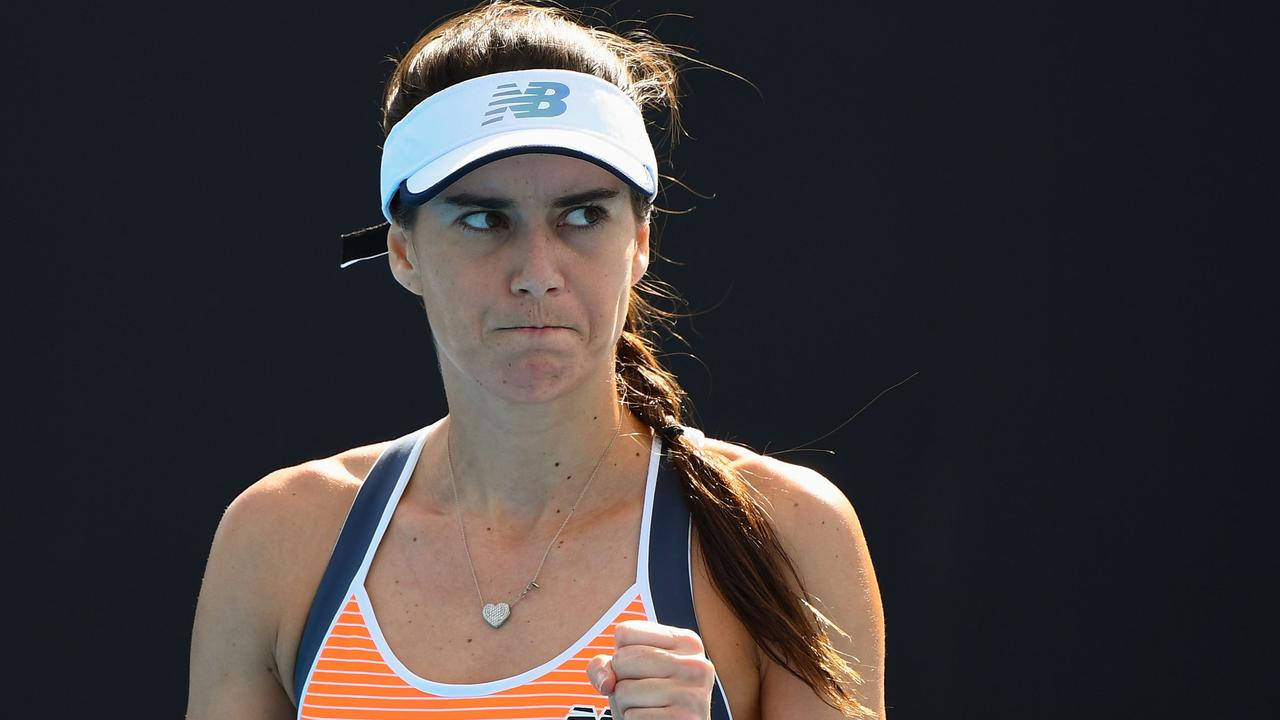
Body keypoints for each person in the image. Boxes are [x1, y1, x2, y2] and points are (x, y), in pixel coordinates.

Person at [186, 2, 885, 718]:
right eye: (485, 218)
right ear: (403, 250)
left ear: (640, 242)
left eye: (583, 215)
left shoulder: (790, 533)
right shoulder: (278, 541)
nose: (537, 271)